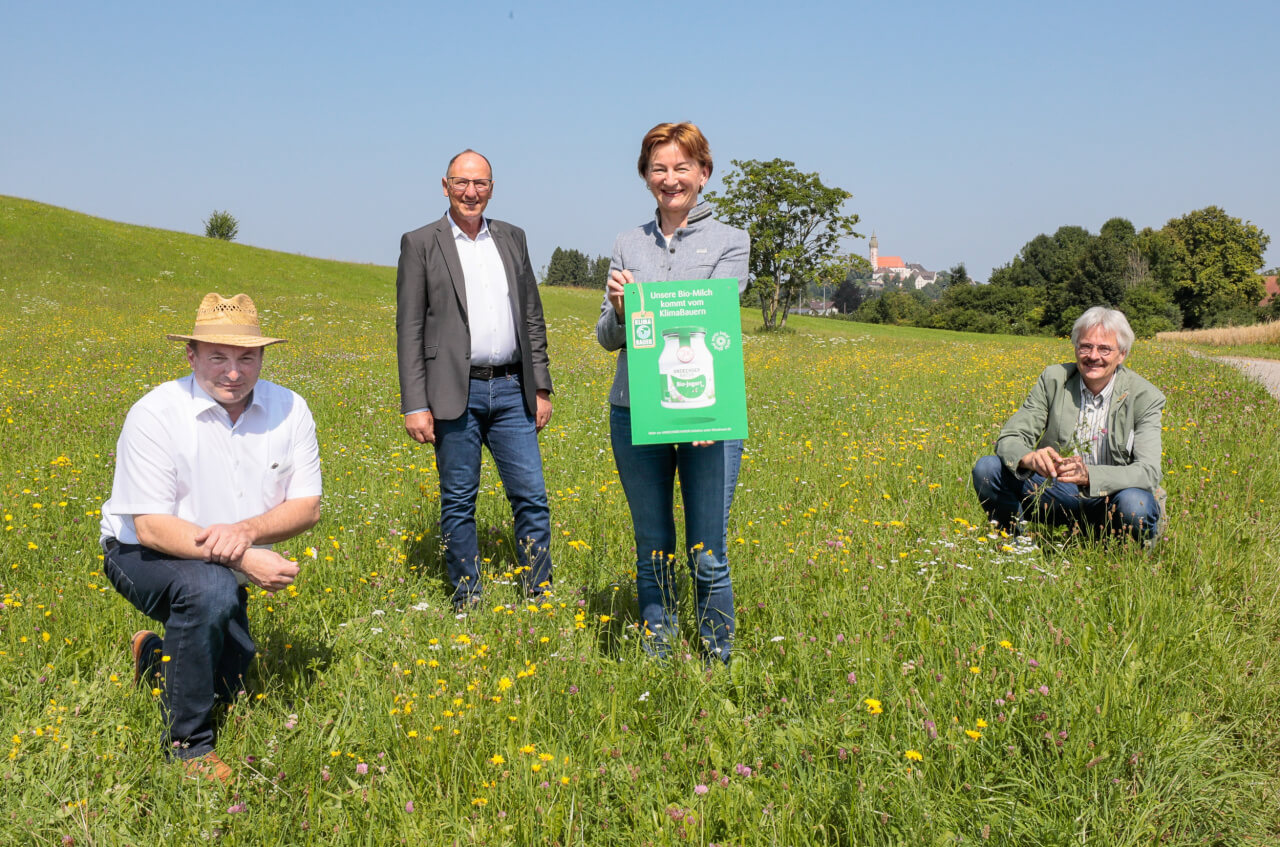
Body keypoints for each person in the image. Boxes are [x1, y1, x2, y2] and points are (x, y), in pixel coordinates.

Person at [100, 293, 322, 782]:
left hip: (219, 554)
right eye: (217, 357)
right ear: (192, 355)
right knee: (211, 591)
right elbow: (152, 526)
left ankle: (154, 657)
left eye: (246, 357)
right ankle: (189, 750)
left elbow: (307, 507)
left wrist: (244, 534)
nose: (233, 372)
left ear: (263, 357)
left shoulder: (290, 408)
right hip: (141, 551)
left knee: (230, 685)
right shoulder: (155, 413)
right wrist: (245, 559)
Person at [597, 122, 750, 663]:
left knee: (708, 554)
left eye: (682, 167)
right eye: (659, 168)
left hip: (707, 415)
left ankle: (718, 661)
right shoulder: (626, 243)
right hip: (635, 411)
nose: (670, 178)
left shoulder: (732, 242)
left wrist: (646, 301)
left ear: (703, 174)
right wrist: (620, 308)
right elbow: (607, 338)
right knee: (652, 550)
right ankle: (659, 657)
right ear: (645, 177)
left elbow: (712, 324)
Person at [395, 149, 554, 610]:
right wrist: (414, 402)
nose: (471, 192)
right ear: (444, 186)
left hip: (511, 390)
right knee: (459, 501)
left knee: (532, 498)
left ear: (491, 187)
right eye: (461, 183)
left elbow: (531, 315)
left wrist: (540, 385)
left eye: (480, 183)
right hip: (452, 392)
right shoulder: (420, 242)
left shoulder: (513, 238)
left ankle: (539, 595)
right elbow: (409, 330)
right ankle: (468, 598)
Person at [972, 306, 1165, 541]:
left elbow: (1148, 472)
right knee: (988, 469)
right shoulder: (1054, 379)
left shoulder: (1144, 396)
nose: (1093, 356)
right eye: (1086, 346)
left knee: (1137, 503)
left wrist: (1090, 476)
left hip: (1113, 498)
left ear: (1122, 354)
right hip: (1059, 491)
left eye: (1105, 349)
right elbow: (1011, 437)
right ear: (1076, 348)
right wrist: (1028, 458)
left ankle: (1122, 555)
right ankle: (1013, 545)